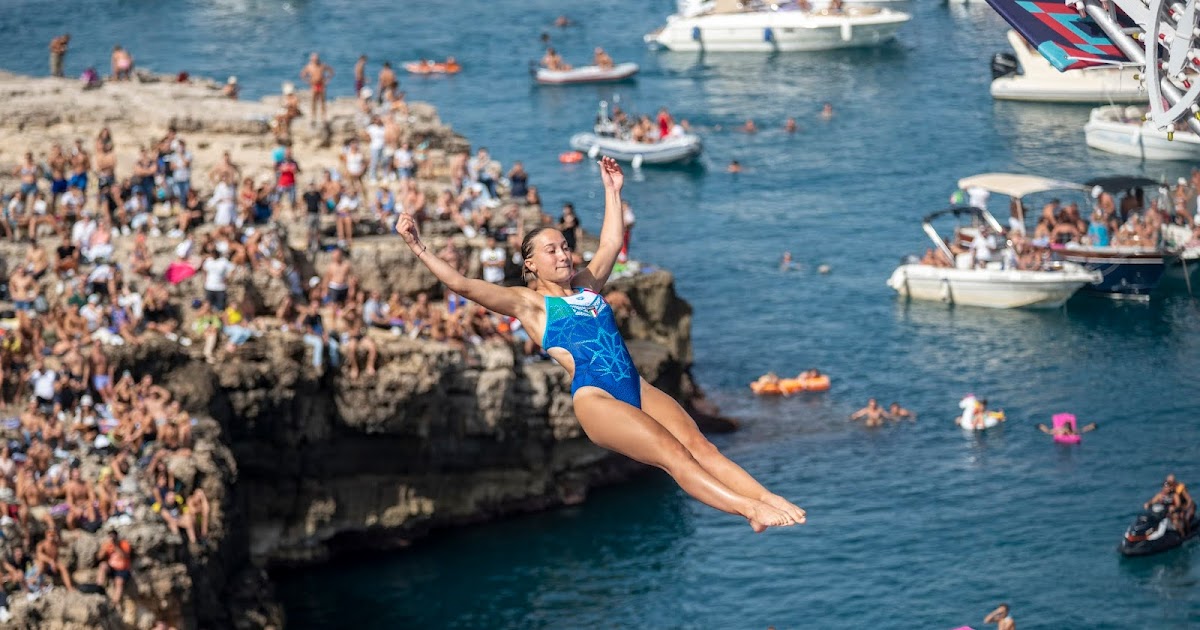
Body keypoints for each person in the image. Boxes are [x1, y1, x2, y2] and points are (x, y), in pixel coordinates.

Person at [396, 157, 804, 532]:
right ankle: (750, 510)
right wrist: (419, 247)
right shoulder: (530, 305)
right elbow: (463, 284)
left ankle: (764, 497)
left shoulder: (587, 288)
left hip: (636, 386)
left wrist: (613, 190)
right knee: (672, 454)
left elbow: (610, 244)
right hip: (596, 399)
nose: (563, 254)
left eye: (565, 247)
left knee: (699, 445)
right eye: (551, 250)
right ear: (531, 264)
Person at [96, 529, 132, 602]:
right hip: (111, 568)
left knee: (119, 582)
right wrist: (104, 549)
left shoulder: (124, 544)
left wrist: (116, 546)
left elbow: (124, 556)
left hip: (122, 569)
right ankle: (98, 587)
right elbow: (99, 557)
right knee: (103, 565)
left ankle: (115, 602)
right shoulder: (107, 544)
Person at [300, 52, 335, 123]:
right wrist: (308, 81)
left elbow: (331, 71)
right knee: (313, 102)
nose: (315, 60)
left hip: (321, 85)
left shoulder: (322, 65)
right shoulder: (309, 66)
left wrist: (327, 79)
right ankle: (313, 117)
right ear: (311, 59)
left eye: (316, 59)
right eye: (314, 59)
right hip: (313, 85)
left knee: (323, 101)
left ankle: (323, 117)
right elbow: (302, 74)